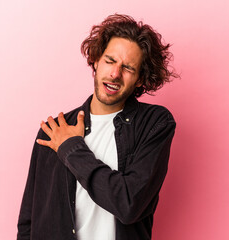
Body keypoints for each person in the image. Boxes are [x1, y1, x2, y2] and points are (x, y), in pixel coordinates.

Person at [17, 13, 179, 240]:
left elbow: (129, 204)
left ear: (140, 79)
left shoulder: (154, 124)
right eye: (110, 61)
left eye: (128, 68)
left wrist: (71, 148)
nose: (115, 74)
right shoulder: (53, 131)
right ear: (96, 60)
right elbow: (29, 222)